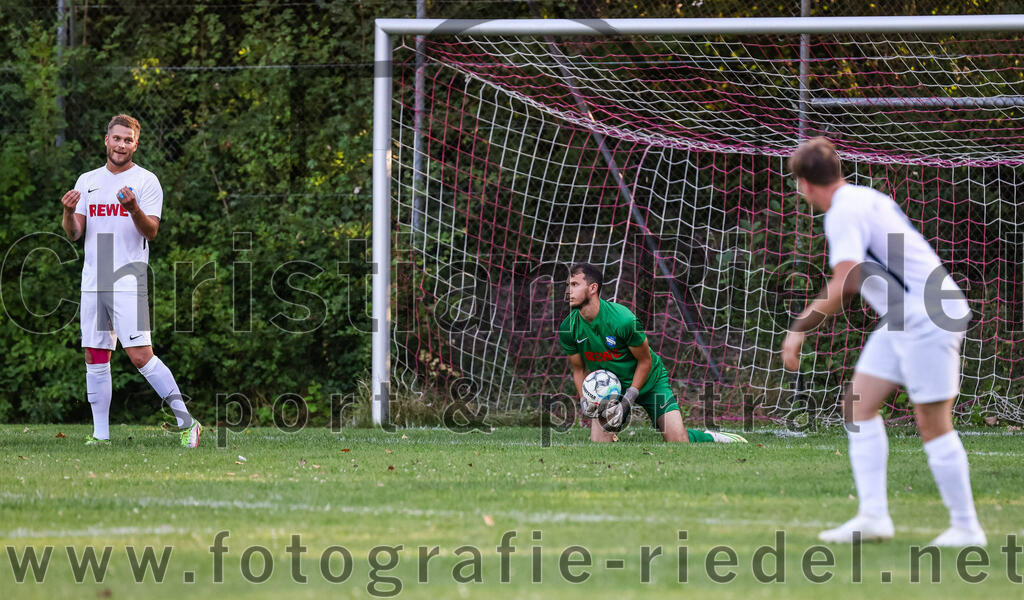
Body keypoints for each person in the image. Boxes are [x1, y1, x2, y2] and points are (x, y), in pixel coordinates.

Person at [781, 137, 983, 547]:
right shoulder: (864, 197)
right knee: (858, 404)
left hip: (928, 315)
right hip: (908, 316)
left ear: (804, 183)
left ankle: (966, 527)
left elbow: (846, 281)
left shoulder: (841, 213)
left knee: (932, 423)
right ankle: (872, 517)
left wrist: (799, 328)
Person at [60, 114, 202, 448]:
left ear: (135, 144)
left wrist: (133, 207)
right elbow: (75, 233)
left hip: (128, 277)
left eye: (128, 140)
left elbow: (151, 230)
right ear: (106, 140)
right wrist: (67, 212)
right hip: (95, 278)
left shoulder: (146, 181)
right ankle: (100, 435)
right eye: (117, 138)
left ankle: (188, 423)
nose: (121, 145)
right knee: (96, 355)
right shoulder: (88, 180)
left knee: (140, 355)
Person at [559, 263, 746, 444]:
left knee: (677, 441)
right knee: (599, 444)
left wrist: (628, 400)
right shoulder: (568, 327)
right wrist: (584, 400)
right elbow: (579, 369)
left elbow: (645, 362)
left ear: (593, 288)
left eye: (574, 284)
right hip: (610, 389)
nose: (568, 290)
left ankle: (711, 437)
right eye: (567, 285)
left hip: (649, 381)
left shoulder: (623, 320)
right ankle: (612, 430)